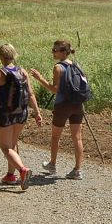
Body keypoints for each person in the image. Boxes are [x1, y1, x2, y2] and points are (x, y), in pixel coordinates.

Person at [0, 43, 42, 190]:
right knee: (13, 144)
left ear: (2, 57)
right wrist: (37, 112)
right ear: (14, 55)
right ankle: (10, 175)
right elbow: (30, 94)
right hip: (21, 113)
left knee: (5, 146)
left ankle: (22, 170)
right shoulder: (22, 72)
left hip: (6, 114)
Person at [30, 40, 84, 180]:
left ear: (64, 52)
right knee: (77, 138)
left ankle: (52, 165)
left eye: (55, 50)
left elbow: (55, 90)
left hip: (63, 105)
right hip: (78, 105)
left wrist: (39, 78)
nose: (52, 52)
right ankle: (77, 170)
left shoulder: (58, 68)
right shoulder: (76, 65)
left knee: (55, 136)